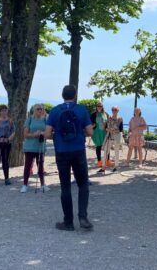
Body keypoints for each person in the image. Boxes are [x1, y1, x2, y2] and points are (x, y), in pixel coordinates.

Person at [45, 85, 94, 231]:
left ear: (62, 95)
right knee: (83, 184)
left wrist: (57, 137)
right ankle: (83, 217)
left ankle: (68, 222)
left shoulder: (55, 111)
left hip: (61, 151)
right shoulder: (81, 110)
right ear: (75, 95)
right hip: (78, 150)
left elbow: (47, 134)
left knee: (65, 186)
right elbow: (90, 132)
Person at [22, 104, 48, 192]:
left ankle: (43, 184)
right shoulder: (29, 119)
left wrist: (42, 133)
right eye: (38, 109)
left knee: (40, 166)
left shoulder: (45, 120)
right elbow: (25, 134)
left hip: (40, 146)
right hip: (30, 147)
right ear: (34, 110)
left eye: (41, 109)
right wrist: (34, 134)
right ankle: (25, 185)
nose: (40, 110)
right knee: (28, 165)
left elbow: (48, 133)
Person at [0, 105, 15, 187]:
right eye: (2, 110)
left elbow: (13, 132)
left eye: (5, 110)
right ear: (0, 112)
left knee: (5, 161)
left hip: (7, 144)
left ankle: (7, 179)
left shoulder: (10, 121)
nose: (4, 112)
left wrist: (8, 139)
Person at [91, 102, 110, 171]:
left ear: (102, 107)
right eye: (98, 106)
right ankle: (99, 162)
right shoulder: (93, 115)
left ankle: (107, 161)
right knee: (98, 146)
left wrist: (108, 129)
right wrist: (93, 126)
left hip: (104, 132)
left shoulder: (106, 114)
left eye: (100, 106)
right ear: (96, 107)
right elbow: (90, 123)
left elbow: (108, 122)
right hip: (97, 133)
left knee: (107, 147)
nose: (99, 107)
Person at [106, 106, 124, 172]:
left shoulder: (120, 118)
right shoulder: (109, 118)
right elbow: (106, 127)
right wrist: (109, 130)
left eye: (115, 110)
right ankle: (103, 166)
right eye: (113, 110)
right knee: (106, 151)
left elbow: (121, 129)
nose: (114, 111)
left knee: (116, 151)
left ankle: (116, 166)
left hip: (117, 136)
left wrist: (114, 131)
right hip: (110, 136)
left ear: (118, 111)